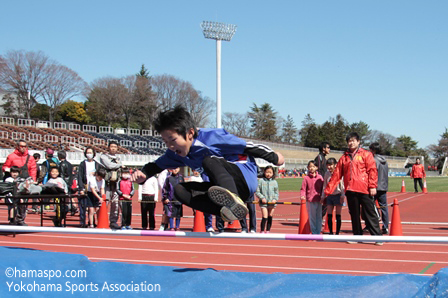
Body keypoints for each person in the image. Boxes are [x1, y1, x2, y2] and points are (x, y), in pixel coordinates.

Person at [132, 105, 284, 224]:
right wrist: (143, 174)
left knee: (208, 160)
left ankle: (233, 200)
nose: (170, 146)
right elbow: (157, 165)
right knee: (179, 190)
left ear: (190, 133)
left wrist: (273, 157)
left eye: (172, 140)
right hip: (222, 187)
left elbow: (247, 146)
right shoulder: (175, 153)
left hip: (242, 177)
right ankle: (227, 212)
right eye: (165, 142)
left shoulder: (211, 137)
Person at [324, 132, 383, 245]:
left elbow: (372, 170)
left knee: (370, 212)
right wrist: (328, 190)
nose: (351, 143)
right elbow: (337, 174)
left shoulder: (366, 154)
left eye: (353, 140)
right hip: (350, 189)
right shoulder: (344, 157)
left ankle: (377, 236)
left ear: (358, 141)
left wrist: (372, 186)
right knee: (354, 214)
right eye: (349, 141)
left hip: (364, 188)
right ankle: (357, 235)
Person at [2, 139, 37, 225]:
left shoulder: (30, 158)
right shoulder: (11, 156)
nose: (23, 148)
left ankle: (21, 219)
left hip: (25, 182)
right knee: (12, 202)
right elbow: (4, 167)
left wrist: (33, 180)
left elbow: (33, 170)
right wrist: (11, 171)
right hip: (14, 183)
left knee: (23, 203)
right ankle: (12, 218)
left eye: (25, 146)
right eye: (21, 146)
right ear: (17, 147)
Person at [100, 141, 125, 230]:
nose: (113, 148)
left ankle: (113, 221)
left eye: (115, 147)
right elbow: (109, 165)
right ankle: (101, 220)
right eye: (112, 146)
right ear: (108, 147)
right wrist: (119, 165)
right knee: (104, 202)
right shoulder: (104, 156)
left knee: (115, 204)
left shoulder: (118, 158)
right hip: (106, 183)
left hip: (116, 184)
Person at [78, 147, 103, 228]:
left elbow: (100, 176)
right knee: (85, 207)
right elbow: (80, 176)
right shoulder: (82, 164)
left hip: (95, 189)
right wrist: (81, 188)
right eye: (88, 152)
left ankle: (96, 222)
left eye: (90, 152)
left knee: (95, 208)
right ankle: (84, 222)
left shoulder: (97, 164)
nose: (89, 154)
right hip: (86, 188)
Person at [369, 142, 390, 235]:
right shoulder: (385, 161)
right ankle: (385, 226)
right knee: (384, 207)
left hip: (375, 186)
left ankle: (374, 221)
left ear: (373, 150)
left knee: (370, 205)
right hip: (384, 186)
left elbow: (372, 173)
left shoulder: (374, 160)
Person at [321, 158, 345, 235]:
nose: (329, 167)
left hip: (338, 195)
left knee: (338, 214)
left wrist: (342, 195)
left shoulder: (339, 173)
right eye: (328, 165)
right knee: (329, 214)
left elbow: (342, 186)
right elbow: (325, 185)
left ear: (335, 165)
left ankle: (337, 232)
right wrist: (323, 196)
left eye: (331, 165)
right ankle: (331, 232)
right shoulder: (327, 174)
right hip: (329, 195)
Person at [300, 160, 324, 234]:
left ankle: (318, 231)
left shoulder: (320, 177)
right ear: (307, 167)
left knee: (319, 216)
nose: (311, 168)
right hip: (310, 200)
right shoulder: (306, 178)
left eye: (313, 166)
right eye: (310, 166)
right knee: (312, 217)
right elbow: (303, 189)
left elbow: (323, 188)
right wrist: (302, 196)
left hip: (319, 200)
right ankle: (314, 232)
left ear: (316, 167)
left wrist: (323, 197)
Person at [255, 166, 279, 233]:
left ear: (273, 173)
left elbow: (276, 193)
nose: (268, 174)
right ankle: (262, 230)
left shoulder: (274, 182)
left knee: (270, 216)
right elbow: (257, 191)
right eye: (267, 172)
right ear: (264, 172)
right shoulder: (261, 181)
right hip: (264, 203)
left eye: (270, 172)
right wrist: (262, 197)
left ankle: (268, 230)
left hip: (272, 202)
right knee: (264, 216)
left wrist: (275, 199)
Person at [315, 142, 330, 220]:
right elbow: (318, 171)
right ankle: (318, 219)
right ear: (323, 148)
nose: (329, 149)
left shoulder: (324, 158)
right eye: (328, 147)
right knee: (324, 202)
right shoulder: (319, 158)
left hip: (325, 183)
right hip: (321, 184)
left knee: (325, 203)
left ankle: (319, 218)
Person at [58, 151, 76, 215]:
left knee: (64, 199)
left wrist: (60, 183)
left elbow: (61, 175)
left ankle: (66, 209)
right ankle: (72, 207)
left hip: (64, 182)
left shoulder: (62, 164)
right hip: (69, 182)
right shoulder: (69, 164)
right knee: (68, 197)